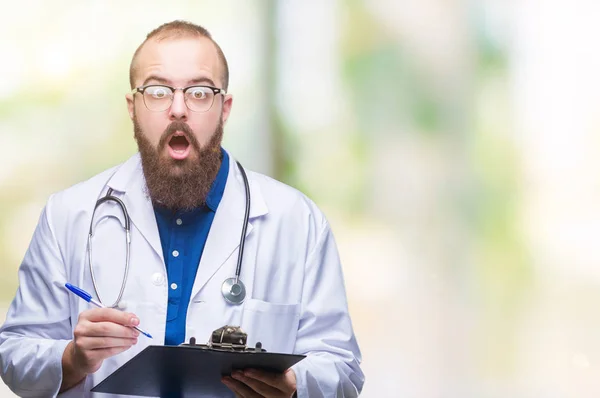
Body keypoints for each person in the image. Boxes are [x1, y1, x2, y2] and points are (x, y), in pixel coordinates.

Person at [0, 20, 364, 397]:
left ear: (225, 108)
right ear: (132, 107)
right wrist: (73, 359)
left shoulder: (296, 221)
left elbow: (343, 368)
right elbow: (15, 351)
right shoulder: (68, 215)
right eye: (158, 91)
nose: (177, 109)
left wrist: (293, 385)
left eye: (200, 92)